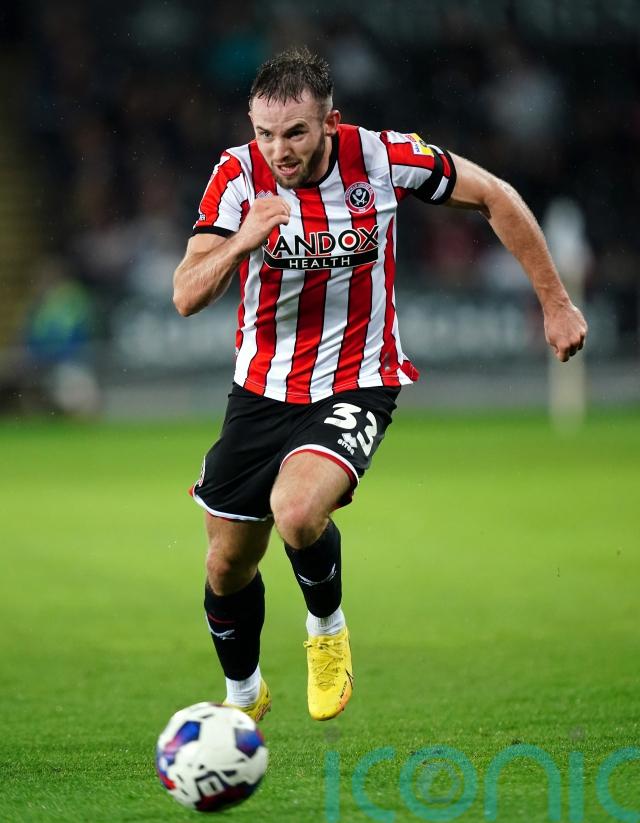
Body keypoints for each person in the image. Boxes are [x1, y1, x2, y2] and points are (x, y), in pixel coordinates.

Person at [172, 47, 587, 723]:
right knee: (226, 565)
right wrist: (243, 239)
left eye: (296, 132)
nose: (279, 150)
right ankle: (243, 698)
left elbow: (494, 194)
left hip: (358, 379)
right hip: (261, 389)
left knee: (297, 512)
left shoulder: (384, 158)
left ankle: (326, 628)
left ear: (330, 123)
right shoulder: (236, 175)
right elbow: (186, 294)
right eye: (266, 133)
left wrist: (555, 301)